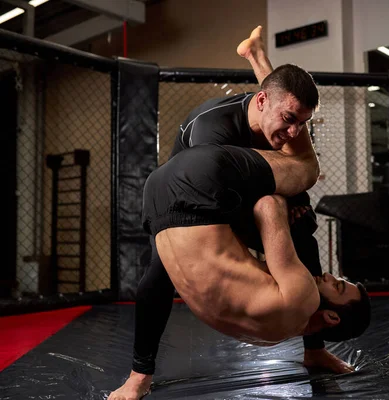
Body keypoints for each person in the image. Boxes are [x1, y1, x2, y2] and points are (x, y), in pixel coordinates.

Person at [108, 27, 367, 400]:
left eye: (302, 123)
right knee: (159, 274)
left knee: (303, 233)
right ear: (262, 101)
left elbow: (276, 195)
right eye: (289, 118)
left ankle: (315, 351)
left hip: (225, 184)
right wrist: (274, 221)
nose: (294, 131)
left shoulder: (276, 120)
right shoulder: (210, 130)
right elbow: (237, 204)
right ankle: (139, 374)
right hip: (197, 188)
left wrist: (290, 219)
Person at [109, 142, 371, 400]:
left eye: (337, 286)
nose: (328, 275)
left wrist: (291, 209)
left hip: (196, 180)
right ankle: (314, 351)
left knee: (305, 171)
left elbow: (267, 205)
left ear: (332, 318)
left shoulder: (304, 296)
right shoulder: (268, 336)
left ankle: (139, 374)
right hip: (155, 202)